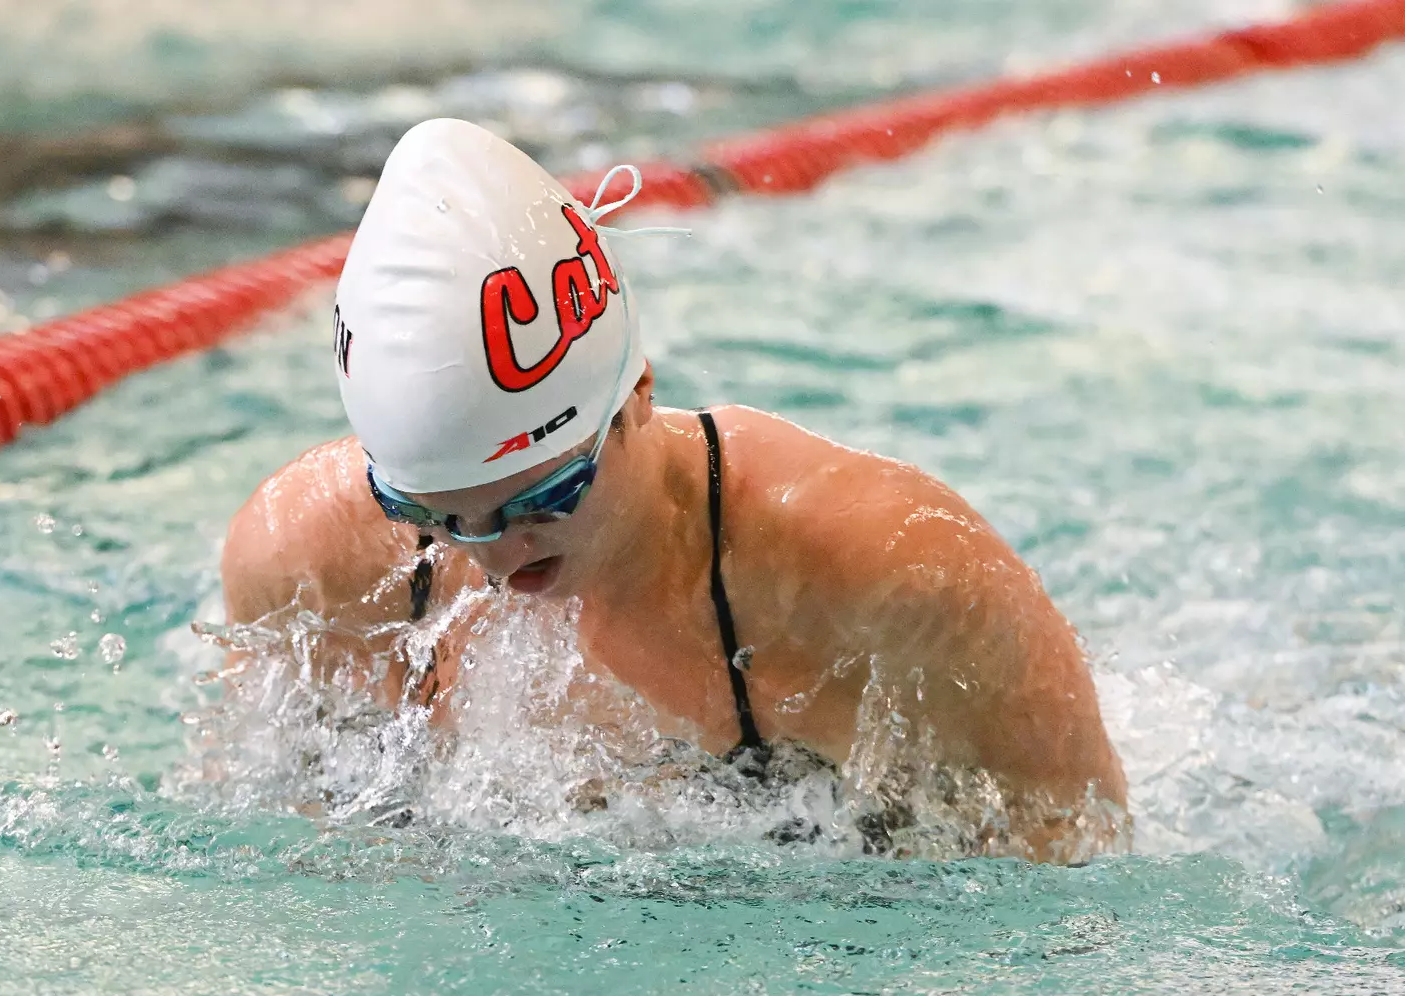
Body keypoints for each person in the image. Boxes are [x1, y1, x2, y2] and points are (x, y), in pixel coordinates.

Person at [221, 117, 1128, 860]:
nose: (492, 555)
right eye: (428, 513)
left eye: (546, 498)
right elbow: (266, 839)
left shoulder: (885, 574)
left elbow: (1072, 857)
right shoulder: (305, 557)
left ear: (637, 397)